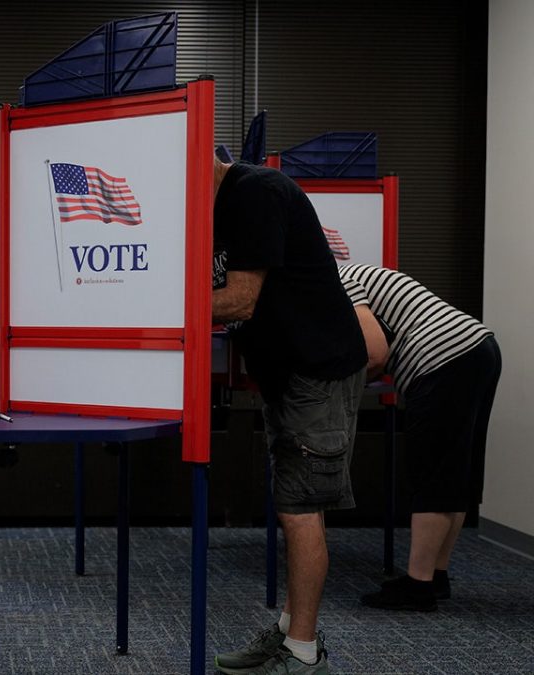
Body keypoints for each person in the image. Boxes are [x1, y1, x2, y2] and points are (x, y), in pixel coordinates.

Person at [211, 156, 367, 675]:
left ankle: (301, 651)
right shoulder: (232, 201)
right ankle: (289, 630)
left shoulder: (255, 192)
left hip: (315, 374)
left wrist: (151, 303)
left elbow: (240, 300)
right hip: (293, 373)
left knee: (299, 511)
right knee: (296, 506)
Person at [338, 263, 500, 611]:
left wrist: (338, 388)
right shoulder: (354, 272)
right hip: (478, 348)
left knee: (431, 472)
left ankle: (418, 586)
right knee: (454, 472)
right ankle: (435, 576)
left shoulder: (338, 280)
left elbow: (375, 353)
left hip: (443, 359)